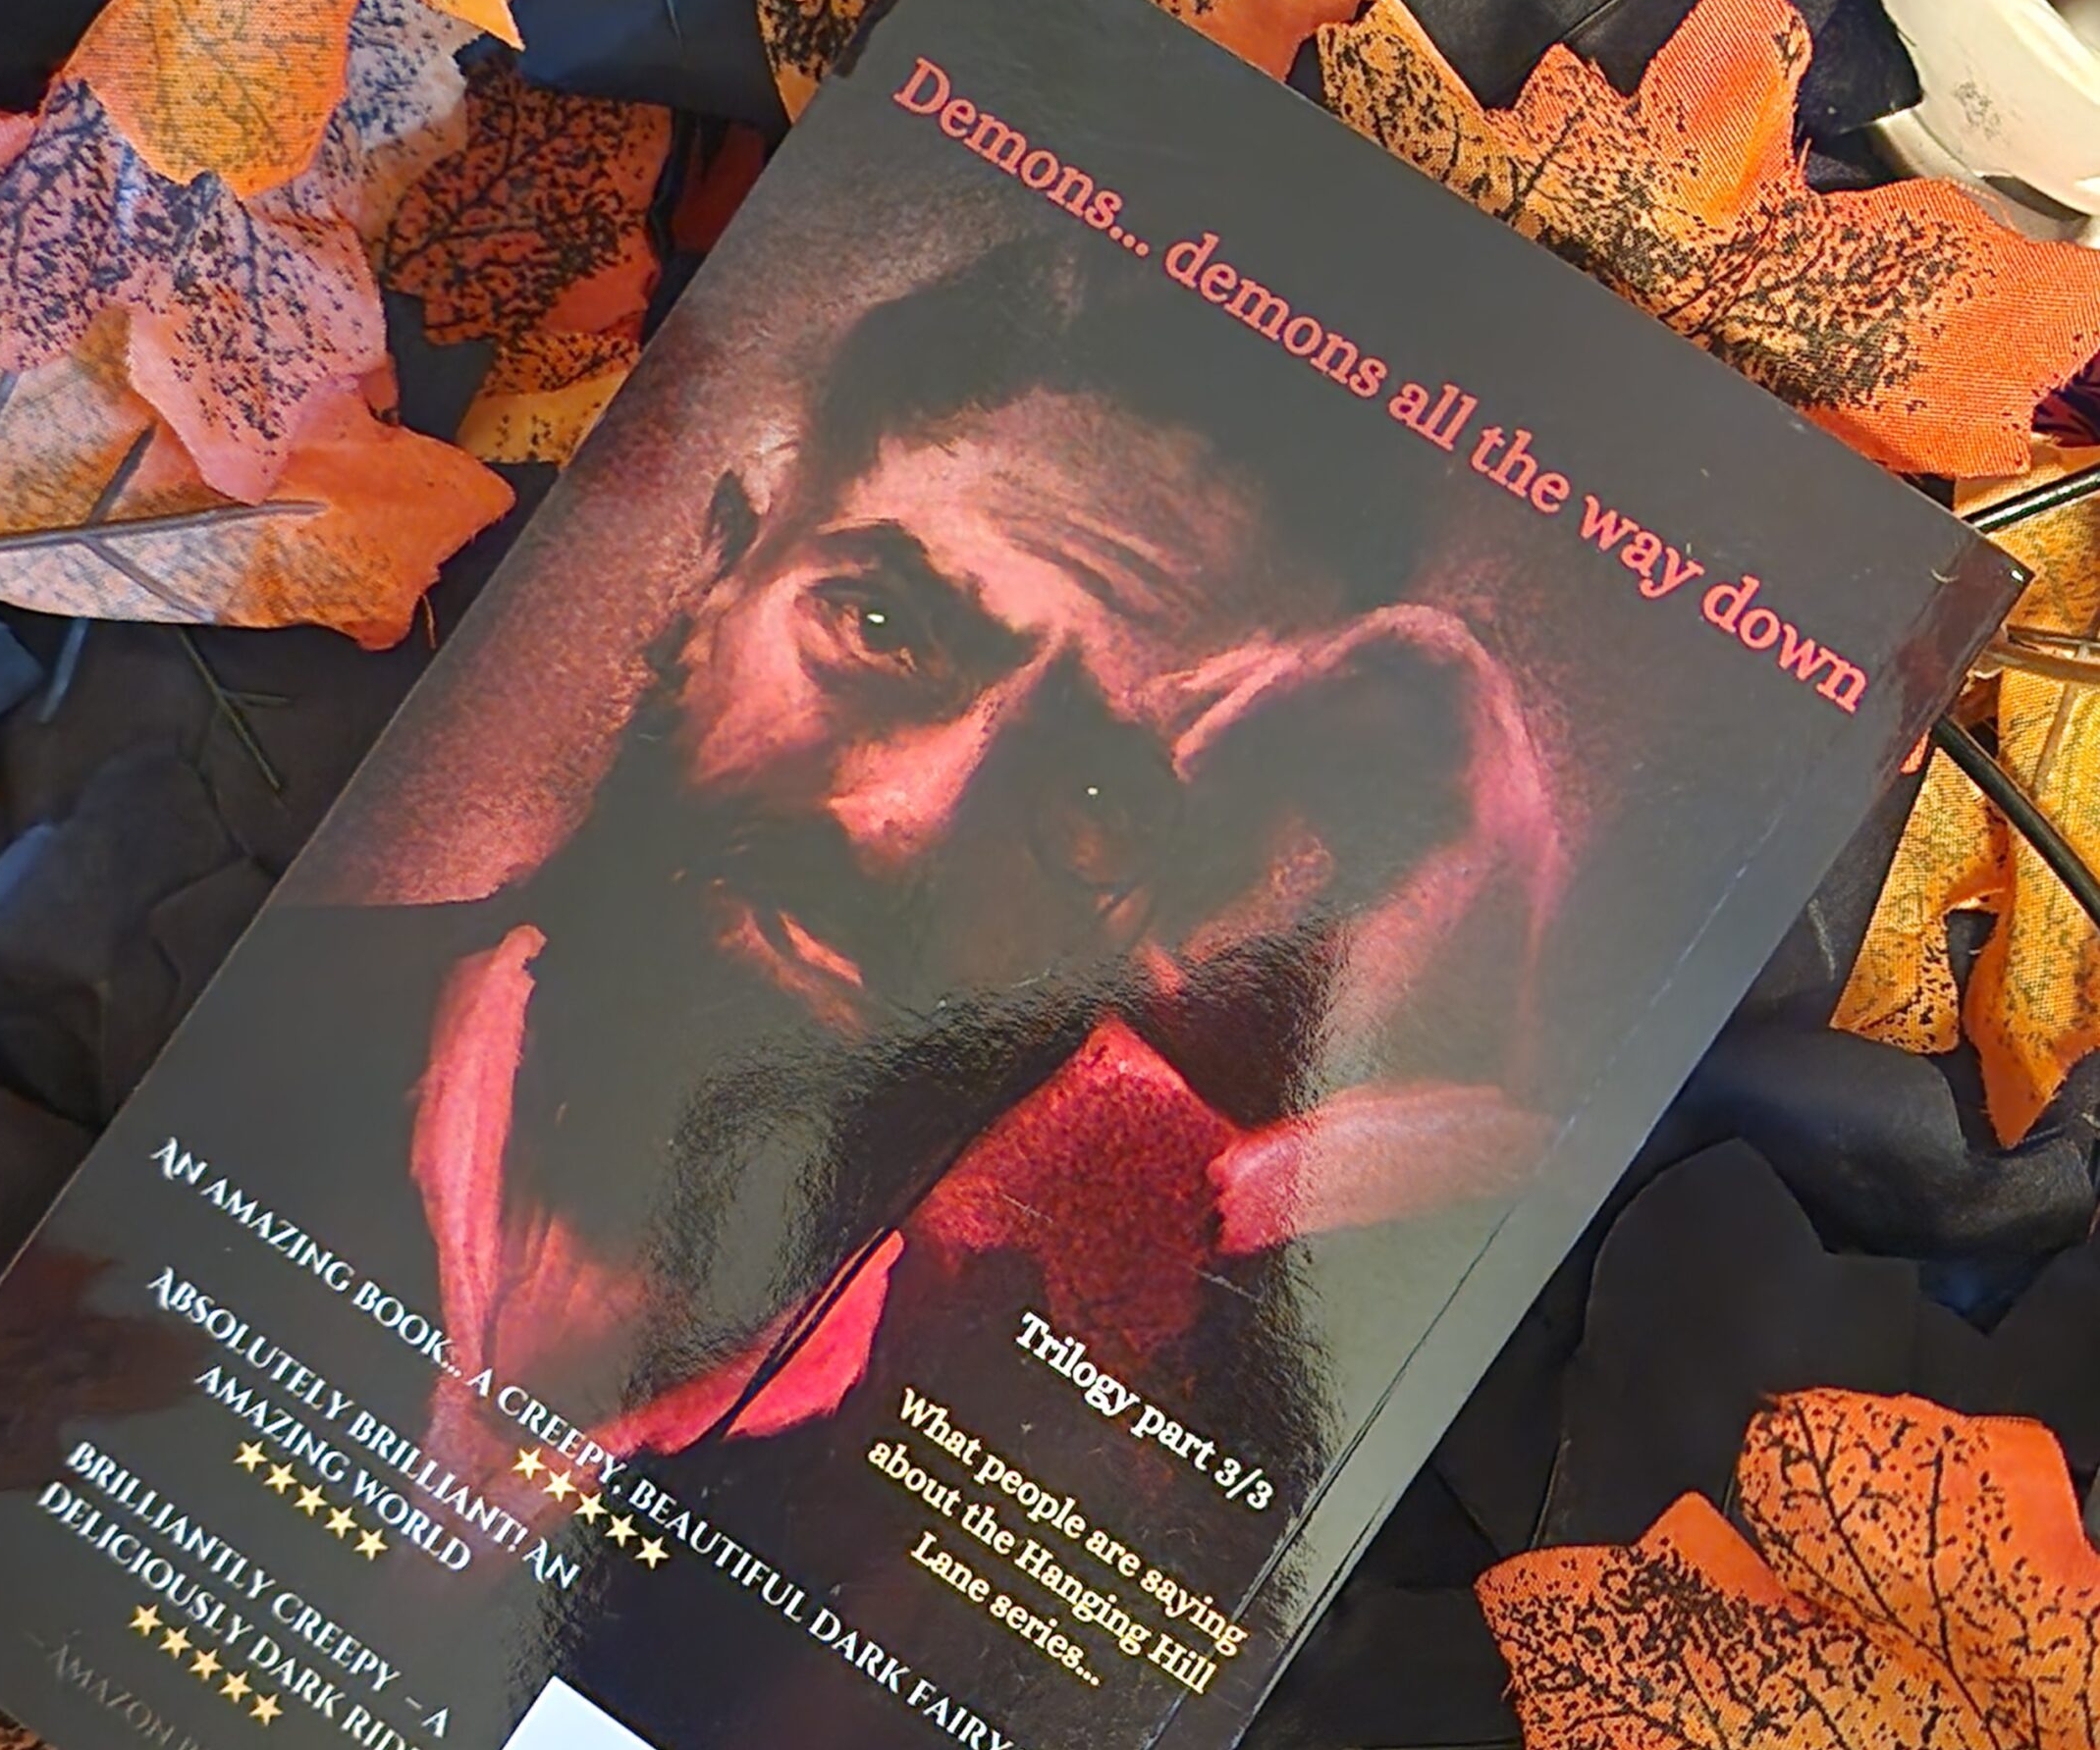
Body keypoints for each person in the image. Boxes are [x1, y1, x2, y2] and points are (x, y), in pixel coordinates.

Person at [386, 237, 1569, 1483]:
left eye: (1097, 790)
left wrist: (1470, 958)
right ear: (721, 567)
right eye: (882, 625)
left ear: (1170, 907)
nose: (906, 823)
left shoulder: (1070, 1449)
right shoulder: (267, 1013)